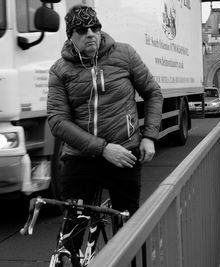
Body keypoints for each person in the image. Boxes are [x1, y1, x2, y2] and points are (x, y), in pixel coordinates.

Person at [47, 5, 163, 264]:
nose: (91, 34)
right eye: (82, 30)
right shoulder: (60, 70)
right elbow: (57, 121)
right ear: (70, 36)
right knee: (72, 231)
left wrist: (149, 136)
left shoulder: (124, 54)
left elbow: (153, 93)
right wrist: (102, 148)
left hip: (124, 152)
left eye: (95, 28)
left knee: (128, 225)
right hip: (81, 156)